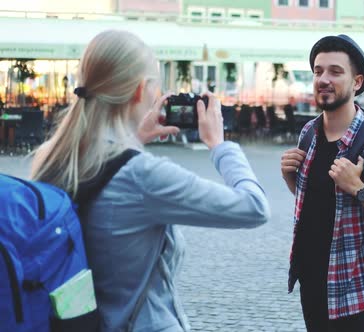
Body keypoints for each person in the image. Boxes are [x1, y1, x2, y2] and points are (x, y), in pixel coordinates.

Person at [30, 30, 270, 332]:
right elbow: (254, 207)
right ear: (140, 91)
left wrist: (135, 137)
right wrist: (219, 145)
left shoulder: (56, 157)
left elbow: (108, 174)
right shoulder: (143, 175)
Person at [280, 34, 364, 332]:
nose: (323, 79)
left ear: (357, 82)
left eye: (335, 71)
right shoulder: (309, 133)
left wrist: (359, 189)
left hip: (354, 287)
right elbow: (319, 202)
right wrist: (292, 179)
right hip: (312, 279)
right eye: (318, 71)